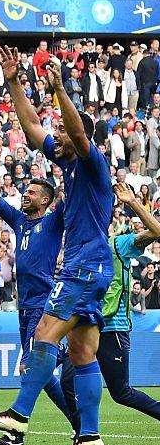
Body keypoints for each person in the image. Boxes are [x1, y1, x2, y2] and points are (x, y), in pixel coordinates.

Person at [0, 49, 114, 445]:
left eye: (65, 134)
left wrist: (58, 91)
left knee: (44, 333)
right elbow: (34, 130)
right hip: (90, 269)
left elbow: (74, 128)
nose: (57, 138)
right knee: (83, 352)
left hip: (83, 266)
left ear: (80, 138)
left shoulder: (93, 165)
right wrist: (14, 81)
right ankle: (88, 436)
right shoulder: (68, 162)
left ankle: (18, 414)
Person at [0, 130, 75, 445]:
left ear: (45, 199)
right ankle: (25, 435)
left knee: (29, 367)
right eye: (25, 191)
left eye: (31, 192)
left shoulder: (54, 219)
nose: (24, 195)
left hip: (44, 305)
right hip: (23, 306)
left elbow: (71, 194)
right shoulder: (19, 221)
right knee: (37, 374)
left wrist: (69, 157)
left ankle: (52, 425)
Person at [60, 183, 160, 431]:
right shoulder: (77, 253)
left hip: (112, 328)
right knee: (68, 381)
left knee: (121, 393)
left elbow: (156, 231)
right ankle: (83, 436)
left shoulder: (117, 244)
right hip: (85, 326)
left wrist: (132, 202)